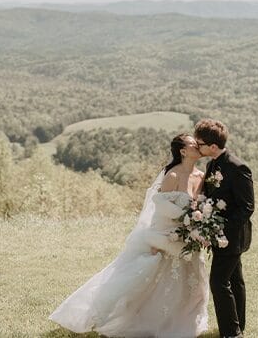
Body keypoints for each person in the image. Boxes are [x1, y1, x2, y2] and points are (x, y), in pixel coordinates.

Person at [49, 134, 209, 337]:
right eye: (193, 144)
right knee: (159, 283)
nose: (197, 146)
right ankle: (152, 321)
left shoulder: (201, 176)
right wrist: (159, 237)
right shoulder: (173, 176)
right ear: (183, 151)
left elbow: (202, 206)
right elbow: (160, 209)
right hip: (168, 236)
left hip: (190, 238)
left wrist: (198, 224)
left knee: (193, 282)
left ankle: (186, 319)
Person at [194, 119, 254, 338]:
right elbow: (210, 196)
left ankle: (231, 333)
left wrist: (219, 229)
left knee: (218, 282)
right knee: (234, 279)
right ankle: (239, 325)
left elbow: (247, 207)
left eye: (199, 143)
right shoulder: (211, 165)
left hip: (232, 235)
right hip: (217, 232)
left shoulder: (238, 168)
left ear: (212, 146)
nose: (196, 147)